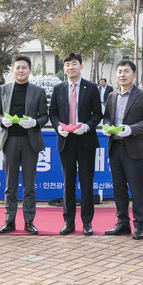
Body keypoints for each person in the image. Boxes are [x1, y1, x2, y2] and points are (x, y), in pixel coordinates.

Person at [0, 55, 49, 234]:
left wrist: (35, 122)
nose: (21, 70)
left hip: (30, 142)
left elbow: (45, 116)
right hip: (10, 140)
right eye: (17, 67)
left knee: (29, 186)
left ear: (30, 70)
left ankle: (29, 221)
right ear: (12, 70)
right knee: (10, 185)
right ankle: (9, 221)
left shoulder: (38, 91)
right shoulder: (3, 89)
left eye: (24, 67)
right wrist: (2, 120)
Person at [49, 53, 102, 235]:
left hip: (85, 140)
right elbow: (53, 113)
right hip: (66, 140)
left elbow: (98, 114)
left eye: (74, 64)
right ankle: (68, 221)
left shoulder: (91, 87)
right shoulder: (58, 88)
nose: (71, 67)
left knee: (86, 183)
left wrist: (87, 126)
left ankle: (87, 222)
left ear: (81, 66)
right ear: (64, 68)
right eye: (67, 65)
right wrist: (58, 127)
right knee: (68, 182)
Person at [102, 61, 143, 240]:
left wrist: (131, 129)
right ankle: (122, 223)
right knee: (118, 188)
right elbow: (106, 117)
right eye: (119, 71)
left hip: (134, 148)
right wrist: (106, 126)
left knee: (136, 188)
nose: (122, 75)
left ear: (134, 75)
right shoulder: (111, 95)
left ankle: (139, 224)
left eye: (126, 71)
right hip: (115, 147)